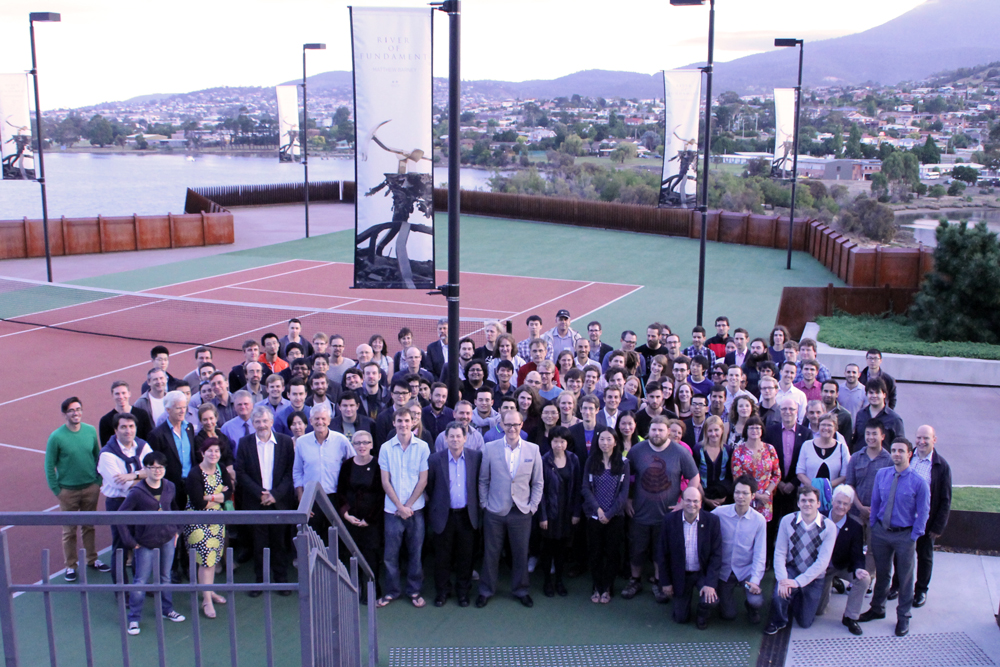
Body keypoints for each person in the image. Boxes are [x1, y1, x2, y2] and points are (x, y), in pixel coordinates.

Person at [622, 416, 700, 602]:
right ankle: (635, 580)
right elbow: (626, 477)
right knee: (637, 549)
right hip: (640, 512)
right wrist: (627, 500)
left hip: (667, 514)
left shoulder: (681, 452)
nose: (657, 433)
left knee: (661, 551)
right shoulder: (637, 450)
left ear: (669, 432)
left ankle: (658, 582)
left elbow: (694, 477)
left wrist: (684, 502)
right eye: (654, 430)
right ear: (649, 430)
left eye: (661, 430)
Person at [859, 438, 930, 637]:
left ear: (910, 454)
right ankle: (877, 608)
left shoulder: (919, 482)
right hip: (881, 532)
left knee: (905, 578)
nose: (897, 454)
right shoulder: (882, 475)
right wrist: (873, 524)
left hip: (904, 535)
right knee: (882, 573)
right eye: (894, 450)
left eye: (901, 451)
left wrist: (914, 535)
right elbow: (875, 500)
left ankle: (903, 617)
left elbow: (923, 512)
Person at [476, 410, 544, 608]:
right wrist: (484, 504)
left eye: (516, 424)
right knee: (491, 553)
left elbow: (538, 482)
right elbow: (483, 480)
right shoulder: (489, 448)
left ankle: (521, 590)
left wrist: (532, 506)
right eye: (508, 424)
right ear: (502, 426)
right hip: (495, 511)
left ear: (521, 425)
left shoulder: (533, 450)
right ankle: (486, 590)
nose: (512, 428)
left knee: (521, 553)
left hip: (522, 511)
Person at [118, 451, 186, 635]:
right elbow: (120, 517)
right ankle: (134, 618)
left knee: (165, 576)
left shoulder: (170, 486)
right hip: (145, 542)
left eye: (161, 467)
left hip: (167, 538)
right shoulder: (137, 493)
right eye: (153, 467)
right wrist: (131, 542)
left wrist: (177, 531)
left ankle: (167, 609)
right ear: (145, 469)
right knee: (140, 581)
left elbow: (175, 508)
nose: (157, 470)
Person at [234, 407, 296, 596]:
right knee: (259, 544)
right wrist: (259, 493)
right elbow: (241, 472)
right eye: (258, 422)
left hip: (279, 501)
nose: (261, 425)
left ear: (271, 422)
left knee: (279, 542)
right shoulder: (244, 443)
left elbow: (289, 472)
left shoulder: (285, 442)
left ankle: (281, 580)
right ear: (253, 424)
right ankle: (260, 580)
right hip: (255, 501)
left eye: (265, 421)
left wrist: (275, 494)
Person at [763, 485, 838, 635]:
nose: (807, 504)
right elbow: (779, 553)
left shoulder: (829, 527)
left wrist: (798, 583)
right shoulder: (787, 521)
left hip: (815, 576)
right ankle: (779, 620)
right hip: (793, 568)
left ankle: (796, 596)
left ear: (818, 504)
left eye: (811, 500)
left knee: (805, 622)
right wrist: (783, 580)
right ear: (798, 503)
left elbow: (822, 563)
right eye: (803, 500)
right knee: (779, 595)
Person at [377, 409, 431, 608]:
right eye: (399, 420)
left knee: (415, 552)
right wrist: (399, 507)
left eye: (407, 420)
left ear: (413, 423)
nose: (403, 424)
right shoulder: (385, 448)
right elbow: (385, 481)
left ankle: (414, 590)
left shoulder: (423, 447)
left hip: (415, 510)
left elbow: (423, 479)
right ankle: (392, 591)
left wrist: (408, 506)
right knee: (391, 555)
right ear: (393, 423)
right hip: (392, 511)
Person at [426, 422, 482, 607]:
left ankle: (463, 592)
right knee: (443, 557)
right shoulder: (435, 459)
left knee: (465, 557)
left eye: (459, 436)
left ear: (465, 438)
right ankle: (442, 591)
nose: (455, 439)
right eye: (452, 436)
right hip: (444, 515)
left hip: (467, 515)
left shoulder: (476, 457)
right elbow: (431, 486)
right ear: (445, 438)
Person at [899, 425, 951, 608]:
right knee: (901, 554)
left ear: (934, 440)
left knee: (924, 555)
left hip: (926, 522)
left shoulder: (941, 466)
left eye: (926, 438)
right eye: (919, 437)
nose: (921, 442)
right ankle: (897, 585)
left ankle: (920, 590)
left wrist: (938, 527)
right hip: (903, 518)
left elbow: (945, 499)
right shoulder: (907, 457)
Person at [97, 412, 152, 584]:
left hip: (141, 502)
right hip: (119, 503)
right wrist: (141, 475)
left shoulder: (143, 447)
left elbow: (155, 472)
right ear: (115, 430)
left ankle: (140, 583)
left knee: (140, 544)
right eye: (123, 427)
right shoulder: (107, 455)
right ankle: (122, 588)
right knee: (120, 546)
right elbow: (121, 484)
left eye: (131, 426)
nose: (128, 430)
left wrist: (130, 476)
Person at [658, 486, 722, 628]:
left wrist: (710, 584)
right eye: (688, 500)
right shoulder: (669, 521)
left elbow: (716, 556)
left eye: (695, 501)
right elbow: (662, 553)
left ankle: (702, 614)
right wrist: (666, 582)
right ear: (681, 501)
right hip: (681, 574)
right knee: (680, 618)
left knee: (710, 600)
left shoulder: (712, 521)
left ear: (701, 503)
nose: (691, 504)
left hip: (701, 573)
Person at [184, 438, 233, 618]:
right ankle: (207, 600)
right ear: (202, 452)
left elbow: (229, 492)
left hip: (216, 521)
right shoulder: (195, 474)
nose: (214, 454)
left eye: (217, 451)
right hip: (198, 521)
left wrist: (209, 497)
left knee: (213, 558)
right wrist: (217, 496)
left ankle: (208, 590)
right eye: (210, 450)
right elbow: (198, 502)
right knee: (206, 559)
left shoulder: (221, 469)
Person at [335, 431, 385, 604]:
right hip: (351, 519)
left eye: (365, 442)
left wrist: (369, 519)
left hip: (372, 520)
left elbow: (381, 495)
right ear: (353, 445)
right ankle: (353, 589)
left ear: (372, 444)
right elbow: (340, 491)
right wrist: (345, 514)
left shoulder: (379, 464)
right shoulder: (347, 465)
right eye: (358, 443)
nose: (362, 446)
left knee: (371, 555)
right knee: (350, 555)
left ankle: (371, 590)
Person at [293, 405, 356, 541]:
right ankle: (312, 562)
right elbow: (297, 471)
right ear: (310, 421)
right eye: (316, 419)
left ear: (329, 421)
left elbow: (353, 464)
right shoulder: (302, 442)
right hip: (311, 498)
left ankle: (336, 562)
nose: (319, 422)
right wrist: (301, 497)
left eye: (323, 418)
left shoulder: (341, 440)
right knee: (313, 535)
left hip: (335, 496)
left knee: (334, 535)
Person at [581, 430, 630, 604]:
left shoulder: (623, 463)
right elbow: (585, 488)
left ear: (616, 442)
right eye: (602, 439)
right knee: (595, 552)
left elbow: (624, 494)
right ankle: (596, 586)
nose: (605, 443)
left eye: (609, 439)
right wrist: (598, 511)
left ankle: (608, 586)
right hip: (595, 517)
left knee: (612, 553)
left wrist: (609, 514)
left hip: (615, 517)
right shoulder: (591, 461)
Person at [817, 485, 870, 636]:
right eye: (838, 502)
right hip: (822, 569)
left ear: (850, 506)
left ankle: (850, 617)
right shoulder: (819, 518)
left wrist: (859, 568)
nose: (841, 506)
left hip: (842, 566)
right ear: (832, 501)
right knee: (818, 612)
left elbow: (857, 554)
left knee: (864, 579)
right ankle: (832, 582)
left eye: (846, 504)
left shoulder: (855, 526)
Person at [713, 475, 767, 624]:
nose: (740, 496)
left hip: (746, 571)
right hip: (725, 571)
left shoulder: (759, 520)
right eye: (737, 492)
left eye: (745, 493)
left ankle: (751, 608)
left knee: (756, 601)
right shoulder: (719, 513)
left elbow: (760, 553)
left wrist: (755, 580)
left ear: (753, 496)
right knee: (728, 615)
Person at [538, 426, 581, 598]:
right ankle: (547, 581)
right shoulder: (544, 460)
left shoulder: (574, 460)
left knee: (562, 549)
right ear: (550, 442)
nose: (559, 444)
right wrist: (542, 515)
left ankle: (559, 581)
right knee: (548, 548)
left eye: (562, 441)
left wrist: (576, 512)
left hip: (567, 512)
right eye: (556, 441)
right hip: (549, 512)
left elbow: (578, 487)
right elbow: (539, 490)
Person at [732, 416, 781, 523]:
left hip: (766, 500)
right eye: (751, 428)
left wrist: (766, 494)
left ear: (762, 430)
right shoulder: (739, 451)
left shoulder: (770, 449)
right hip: (745, 498)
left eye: (758, 428)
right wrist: (756, 495)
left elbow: (777, 474)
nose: (755, 431)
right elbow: (737, 477)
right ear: (746, 430)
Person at [850, 378, 905, 453]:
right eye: (871, 393)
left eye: (877, 392)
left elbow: (901, 445)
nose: (874, 396)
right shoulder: (860, 414)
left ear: (884, 395)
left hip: (884, 463)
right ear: (866, 394)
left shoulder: (894, 419)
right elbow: (856, 440)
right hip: (861, 461)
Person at [99, 381, 153, 446]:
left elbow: (149, 439)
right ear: (112, 396)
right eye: (117, 394)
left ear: (129, 394)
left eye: (123, 393)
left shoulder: (142, 414)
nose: (121, 396)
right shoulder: (105, 421)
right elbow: (106, 445)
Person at [697, 415, 733, 509]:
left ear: (722, 430)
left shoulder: (728, 450)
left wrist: (723, 498)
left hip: (723, 496)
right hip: (701, 497)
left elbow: (730, 477)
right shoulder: (698, 449)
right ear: (705, 432)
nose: (713, 434)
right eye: (710, 431)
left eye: (716, 430)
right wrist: (705, 499)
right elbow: (694, 475)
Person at [820, 379, 853, 444]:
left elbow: (847, 441)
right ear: (821, 392)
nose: (828, 394)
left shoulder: (845, 415)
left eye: (832, 392)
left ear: (837, 394)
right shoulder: (813, 412)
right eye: (826, 391)